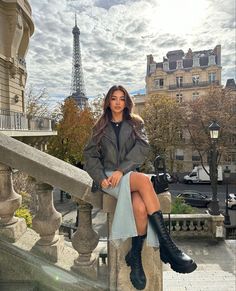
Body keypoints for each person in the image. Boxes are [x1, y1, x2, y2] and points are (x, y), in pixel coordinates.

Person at [83, 85, 197, 290]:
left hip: (127, 174)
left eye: (121, 99)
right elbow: (89, 156)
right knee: (144, 181)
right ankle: (168, 246)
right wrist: (101, 178)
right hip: (109, 178)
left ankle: (134, 256)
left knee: (140, 207)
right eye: (114, 98)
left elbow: (143, 148)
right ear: (108, 102)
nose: (118, 102)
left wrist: (122, 170)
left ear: (127, 102)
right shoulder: (99, 125)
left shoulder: (136, 123)